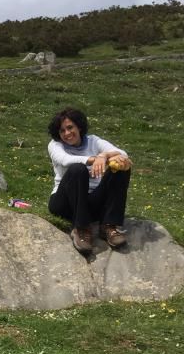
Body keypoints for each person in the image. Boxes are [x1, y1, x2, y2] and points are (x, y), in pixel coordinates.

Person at [46, 107, 133, 254]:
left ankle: (108, 226)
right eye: (62, 131)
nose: (67, 133)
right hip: (65, 203)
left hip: (91, 202)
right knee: (77, 169)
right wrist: (93, 159)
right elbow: (65, 160)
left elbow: (123, 154)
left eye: (70, 127)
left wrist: (103, 156)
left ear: (79, 126)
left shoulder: (94, 141)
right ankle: (81, 229)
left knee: (122, 167)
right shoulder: (55, 145)